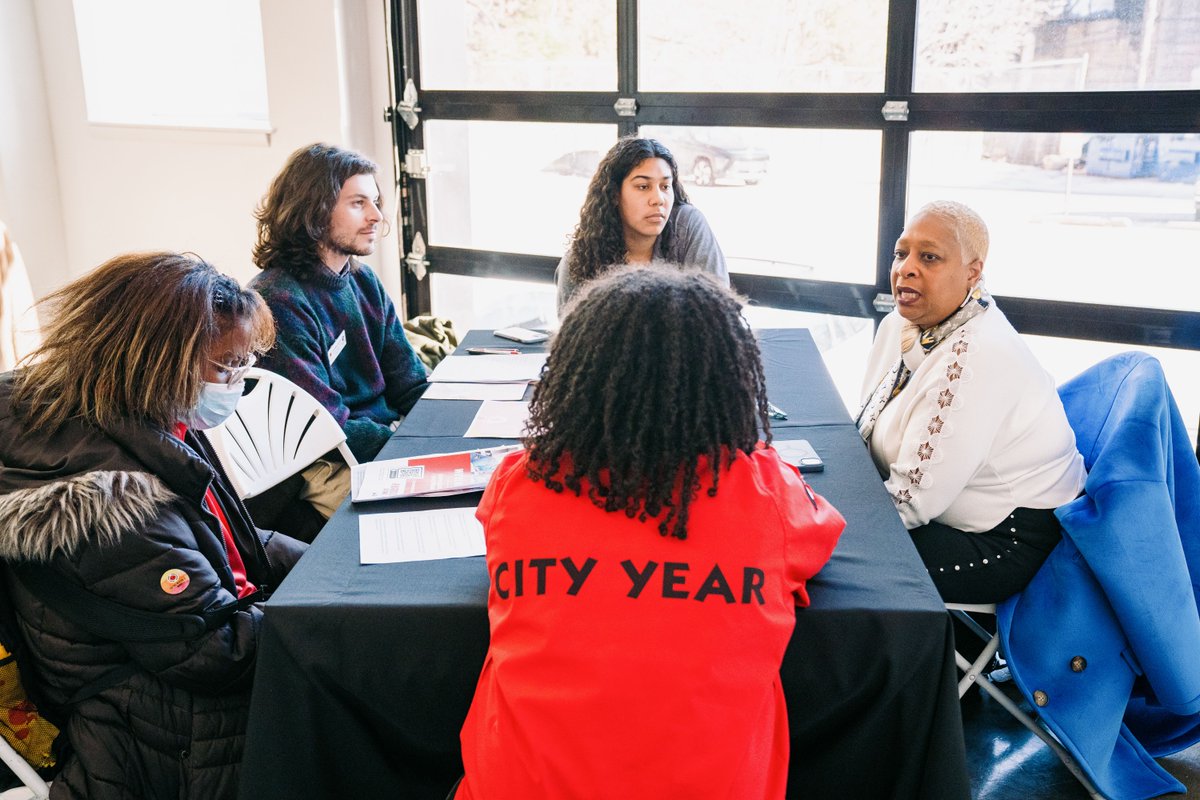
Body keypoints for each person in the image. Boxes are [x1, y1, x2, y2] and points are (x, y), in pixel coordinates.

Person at [455, 267, 844, 799]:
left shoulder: (521, 483)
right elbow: (820, 539)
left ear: (576, 376)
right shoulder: (768, 493)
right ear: (728, 382)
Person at [0, 252, 308, 800]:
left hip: (172, 662)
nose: (238, 382)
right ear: (157, 360)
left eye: (245, 362)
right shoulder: (108, 501)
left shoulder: (144, 419)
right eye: (225, 367)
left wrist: (327, 566)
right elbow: (215, 654)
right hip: (151, 726)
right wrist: (329, 617)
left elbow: (222, 542)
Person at [857, 200, 1086, 604]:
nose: (905, 268)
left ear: (972, 271)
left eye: (929, 257)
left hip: (1000, 540)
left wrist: (813, 523)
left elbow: (911, 504)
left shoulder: (977, 358)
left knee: (827, 564)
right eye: (901, 253)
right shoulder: (901, 324)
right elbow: (864, 428)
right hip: (935, 511)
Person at [251, 143, 428, 516]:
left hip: (385, 440)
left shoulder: (362, 281)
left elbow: (409, 381)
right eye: (358, 203)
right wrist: (408, 443)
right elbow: (328, 427)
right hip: (332, 460)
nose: (377, 216)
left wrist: (442, 429)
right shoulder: (277, 301)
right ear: (313, 209)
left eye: (376, 202)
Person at [554, 136, 729, 309]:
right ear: (614, 194)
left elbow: (718, 313)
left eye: (665, 186)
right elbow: (573, 334)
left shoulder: (686, 225)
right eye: (643, 187)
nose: (659, 199)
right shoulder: (580, 261)